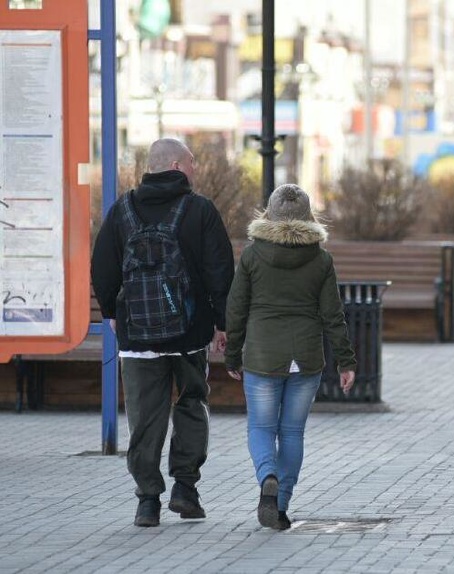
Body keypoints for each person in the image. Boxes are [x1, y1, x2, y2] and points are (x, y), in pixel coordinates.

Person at [91, 138, 234, 527]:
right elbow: (220, 270)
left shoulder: (122, 210)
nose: (196, 169)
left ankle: (147, 501)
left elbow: (102, 266)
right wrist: (223, 323)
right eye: (192, 162)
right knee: (191, 403)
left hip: (137, 338)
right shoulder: (199, 210)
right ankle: (185, 488)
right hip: (189, 335)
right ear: (174, 164)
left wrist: (112, 313)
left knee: (143, 417)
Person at [225, 184, 357, 530]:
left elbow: (236, 309)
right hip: (307, 356)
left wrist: (233, 354)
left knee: (261, 427)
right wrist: (346, 360)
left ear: (269, 214)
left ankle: (267, 475)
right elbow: (333, 314)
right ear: (307, 216)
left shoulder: (252, 256)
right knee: (293, 433)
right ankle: (280, 507)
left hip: (263, 355)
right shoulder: (321, 259)